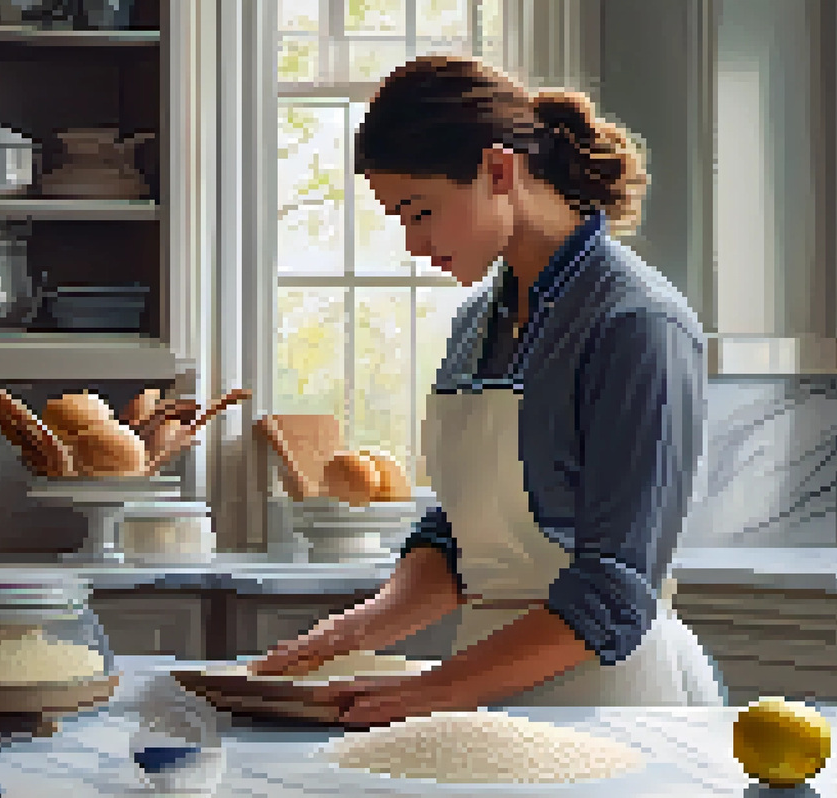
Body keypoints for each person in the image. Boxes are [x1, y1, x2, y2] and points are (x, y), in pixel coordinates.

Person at [253, 54, 725, 726]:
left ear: (499, 171)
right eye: (399, 220)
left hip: (613, 701)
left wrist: (435, 691)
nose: (414, 244)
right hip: (485, 692)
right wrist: (359, 628)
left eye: (421, 212)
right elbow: (463, 529)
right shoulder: (481, 321)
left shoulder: (637, 324)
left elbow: (616, 591)